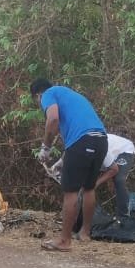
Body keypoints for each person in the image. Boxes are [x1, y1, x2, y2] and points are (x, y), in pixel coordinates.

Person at [31, 78, 107, 251]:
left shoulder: (47, 94)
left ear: (37, 95)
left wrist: (46, 148)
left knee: (70, 191)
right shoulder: (72, 96)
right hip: (101, 140)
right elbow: (77, 135)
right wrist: (62, 161)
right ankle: (85, 233)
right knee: (89, 187)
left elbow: (53, 120)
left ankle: (64, 241)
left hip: (83, 141)